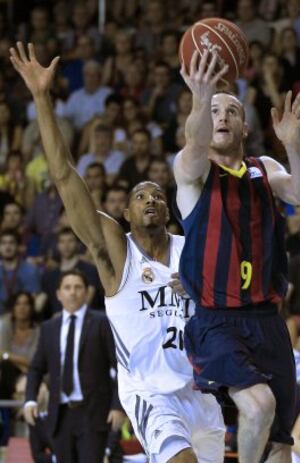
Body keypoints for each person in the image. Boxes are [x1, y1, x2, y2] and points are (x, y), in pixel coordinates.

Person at [10, 42, 225, 463]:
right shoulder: (116, 254)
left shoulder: (192, 249)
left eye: (158, 196)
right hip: (150, 393)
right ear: (124, 213)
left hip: (201, 392)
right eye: (140, 196)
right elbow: (64, 176)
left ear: (169, 209)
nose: (150, 200)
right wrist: (41, 96)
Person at [174, 49, 300, 463]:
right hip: (217, 319)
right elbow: (194, 143)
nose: (221, 116)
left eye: (230, 110)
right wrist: (201, 98)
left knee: (278, 446)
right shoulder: (193, 173)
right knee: (258, 406)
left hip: (268, 322)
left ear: (245, 126)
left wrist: (293, 143)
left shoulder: (264, 168)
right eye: (214, 111)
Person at [23, 270, 124, 463]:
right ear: (59, 294)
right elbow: (36, 368)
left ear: (86, 292)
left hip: (93, 413)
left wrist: (118, 406)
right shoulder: (49, 327)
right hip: (60, 414)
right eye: (67, 288)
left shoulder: (102, 322)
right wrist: (30, 400)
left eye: (78, 287)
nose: (73, 292)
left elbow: (120, 366)